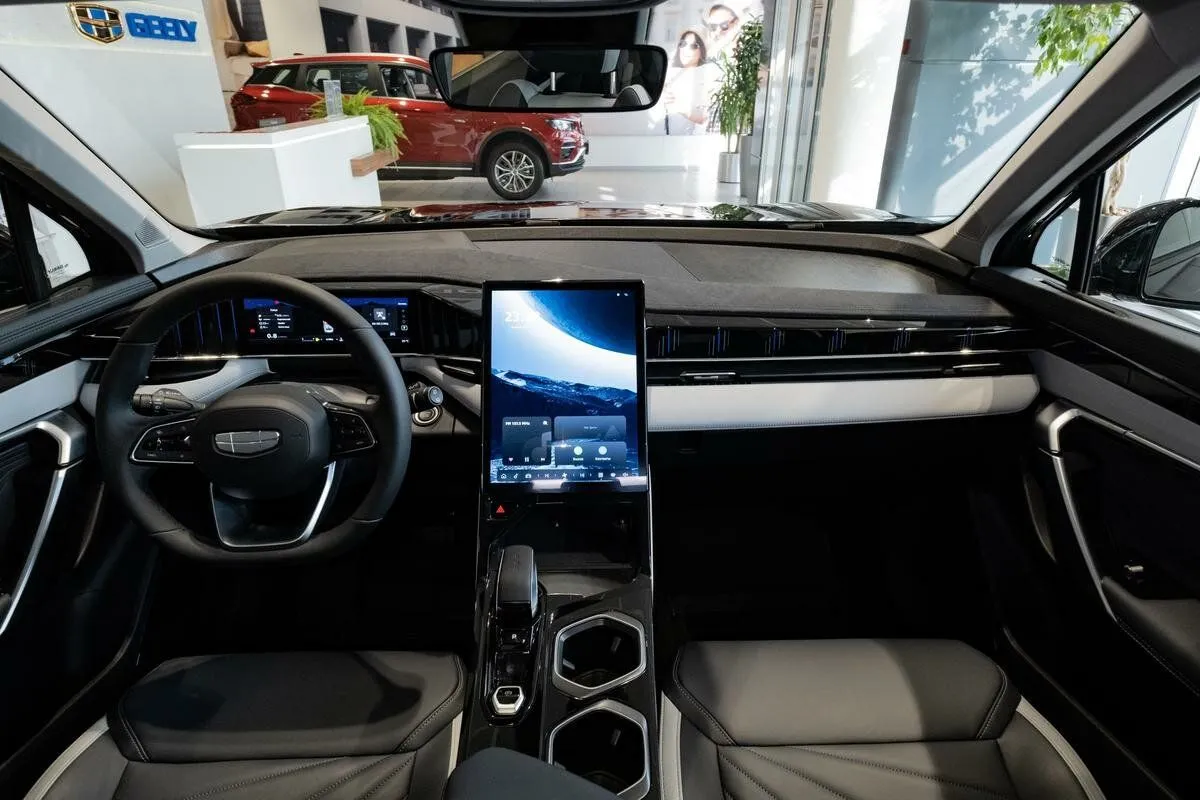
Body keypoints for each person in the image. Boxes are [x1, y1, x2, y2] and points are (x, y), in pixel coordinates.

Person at [661, 27, 719, 135]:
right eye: (683, 44)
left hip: (686, 139)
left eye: (694, 46)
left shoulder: (705, 78)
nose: (686, 49)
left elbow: (705, 118)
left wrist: (679, 107)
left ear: (702, 51)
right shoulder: (671, 73)